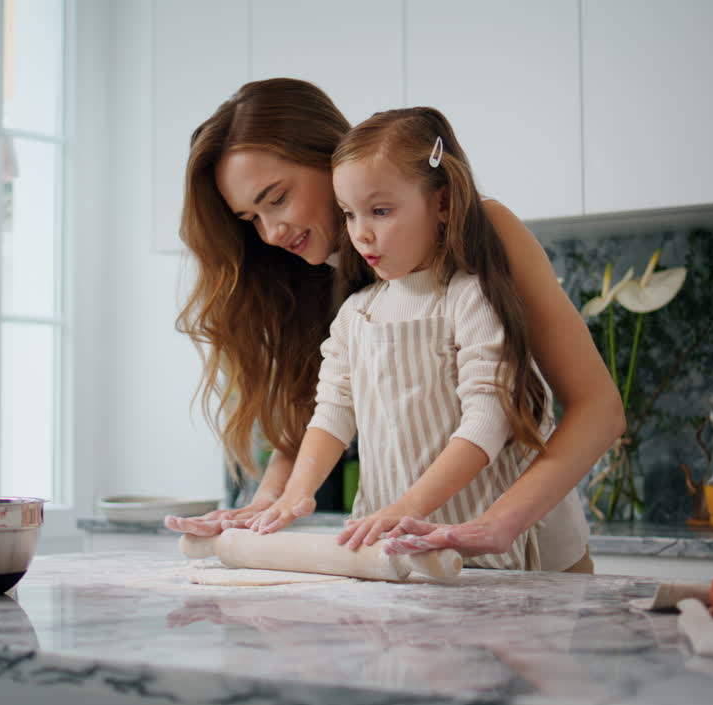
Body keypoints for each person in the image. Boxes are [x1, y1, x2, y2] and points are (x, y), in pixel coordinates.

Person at [166, 79, 622, 570]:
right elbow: (322, 415)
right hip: (410, 559)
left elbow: (598, 409)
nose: (271, 233)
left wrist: (495, 524)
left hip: (529, 558)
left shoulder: (480, 240)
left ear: (329, 158)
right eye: (250, 218)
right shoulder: (321, 283)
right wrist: (267, 504)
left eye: (276, 198)